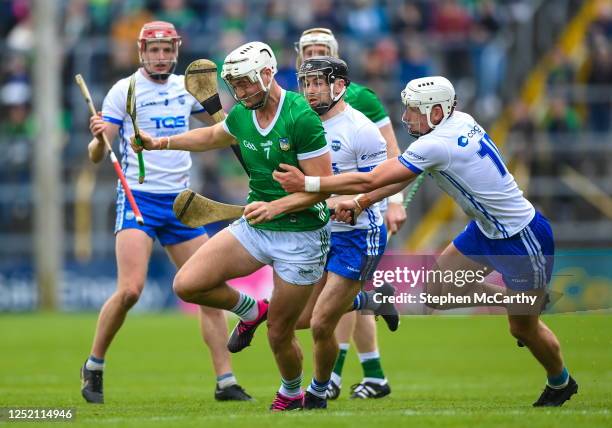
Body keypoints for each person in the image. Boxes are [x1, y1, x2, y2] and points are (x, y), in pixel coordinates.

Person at [273, 75, 579, 407]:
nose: (407, 118)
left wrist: (310, 183)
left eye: (415, 111)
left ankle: (560, 381)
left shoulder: (434, 145)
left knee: (522, 329)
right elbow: (398, 178)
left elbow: (376, 177)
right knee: (437, 292)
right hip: (484, 231)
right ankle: (514, 298)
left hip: (522, 236)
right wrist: (361, 203)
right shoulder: (460, 120)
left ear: (436, 112)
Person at [132, 41, 333, 411]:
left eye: (245, 83)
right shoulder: (243, 112)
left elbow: (323, 188)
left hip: (301, 236)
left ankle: (291, 391)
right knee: (187, 284)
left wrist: (276, 207)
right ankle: (250, 309)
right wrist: (160, 142)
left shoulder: (300, 116)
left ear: (268, 74)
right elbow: (212, 135)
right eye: (234, 85)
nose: (239, 93)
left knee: (280, 332)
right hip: (255, 225)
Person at [81, 21, 251, 404]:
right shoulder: (122, 90)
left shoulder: (185, 89)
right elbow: (97, 155)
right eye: (153, 50)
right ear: (142, 52)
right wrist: (97, 139)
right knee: (130, 290)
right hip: (139, 199)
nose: (161, 57)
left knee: (205, 291)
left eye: (167, 49)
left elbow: (220, 130)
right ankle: (94, 364)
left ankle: (226, 381)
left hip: (180, 202)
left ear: (176, 50)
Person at [295, 27, 404, 399]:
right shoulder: (297, 108)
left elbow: (391, 163)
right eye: (307, 51)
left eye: (321, 50)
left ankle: (330, 382)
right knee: (306, 317)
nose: (313, 54)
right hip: (319, 227)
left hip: (357, 226)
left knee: (326, 313)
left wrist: (386, 202)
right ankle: (372, 372)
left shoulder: (360, 106)